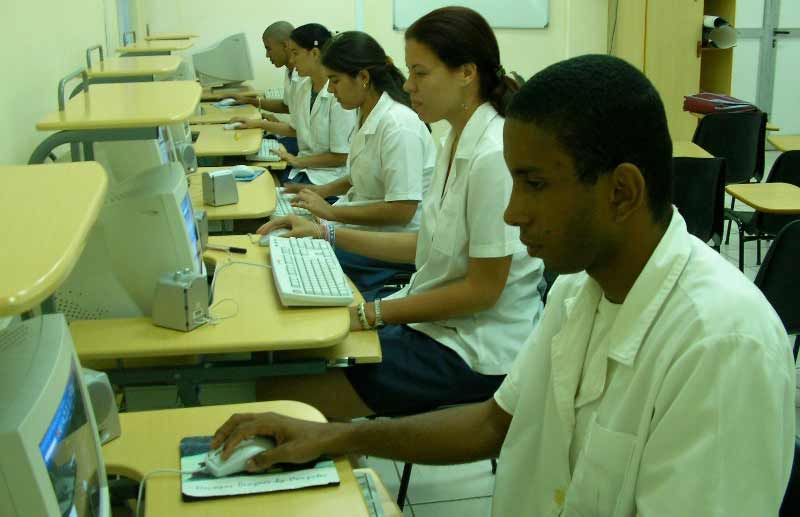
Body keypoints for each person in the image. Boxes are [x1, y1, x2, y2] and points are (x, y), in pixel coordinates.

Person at [213, 53, 795, 515]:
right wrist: (334, 439)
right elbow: (496, 422)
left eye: (535, 184)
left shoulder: (722, 346)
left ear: (621, 192)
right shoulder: (577, 291)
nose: (513, 214)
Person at [255, 7, 544, 419]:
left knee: (291, 393)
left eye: (420, 73)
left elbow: (482, 291)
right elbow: (423, 246)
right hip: (440, 324)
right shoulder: (456, 141)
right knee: (304, 358)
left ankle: (340, 464)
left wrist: (372, 313)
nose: (408, 85)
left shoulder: (492, 155)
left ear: (466, 72)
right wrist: (325, 233)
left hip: (475, 348)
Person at [283, 31, 436, 298]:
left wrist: (331, 215)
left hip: (393, 244)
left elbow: (402, 210)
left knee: (306, 257)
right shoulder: (365, 112)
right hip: (365, 227)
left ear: (363, 78)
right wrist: (322, 193)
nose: (330, 90)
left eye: (335, 81)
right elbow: (359, 175)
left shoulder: (399, 127)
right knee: (293, 244)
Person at [232, 21, 300, 155]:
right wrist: (250, 101)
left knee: (244, 152)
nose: (267, 55)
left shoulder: (304, 77)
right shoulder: (290, 71)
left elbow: (298, 130)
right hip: (298, 138)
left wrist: (259, 123)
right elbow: (286, 106)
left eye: (268, 48)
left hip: (303, 143)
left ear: (285, 45)